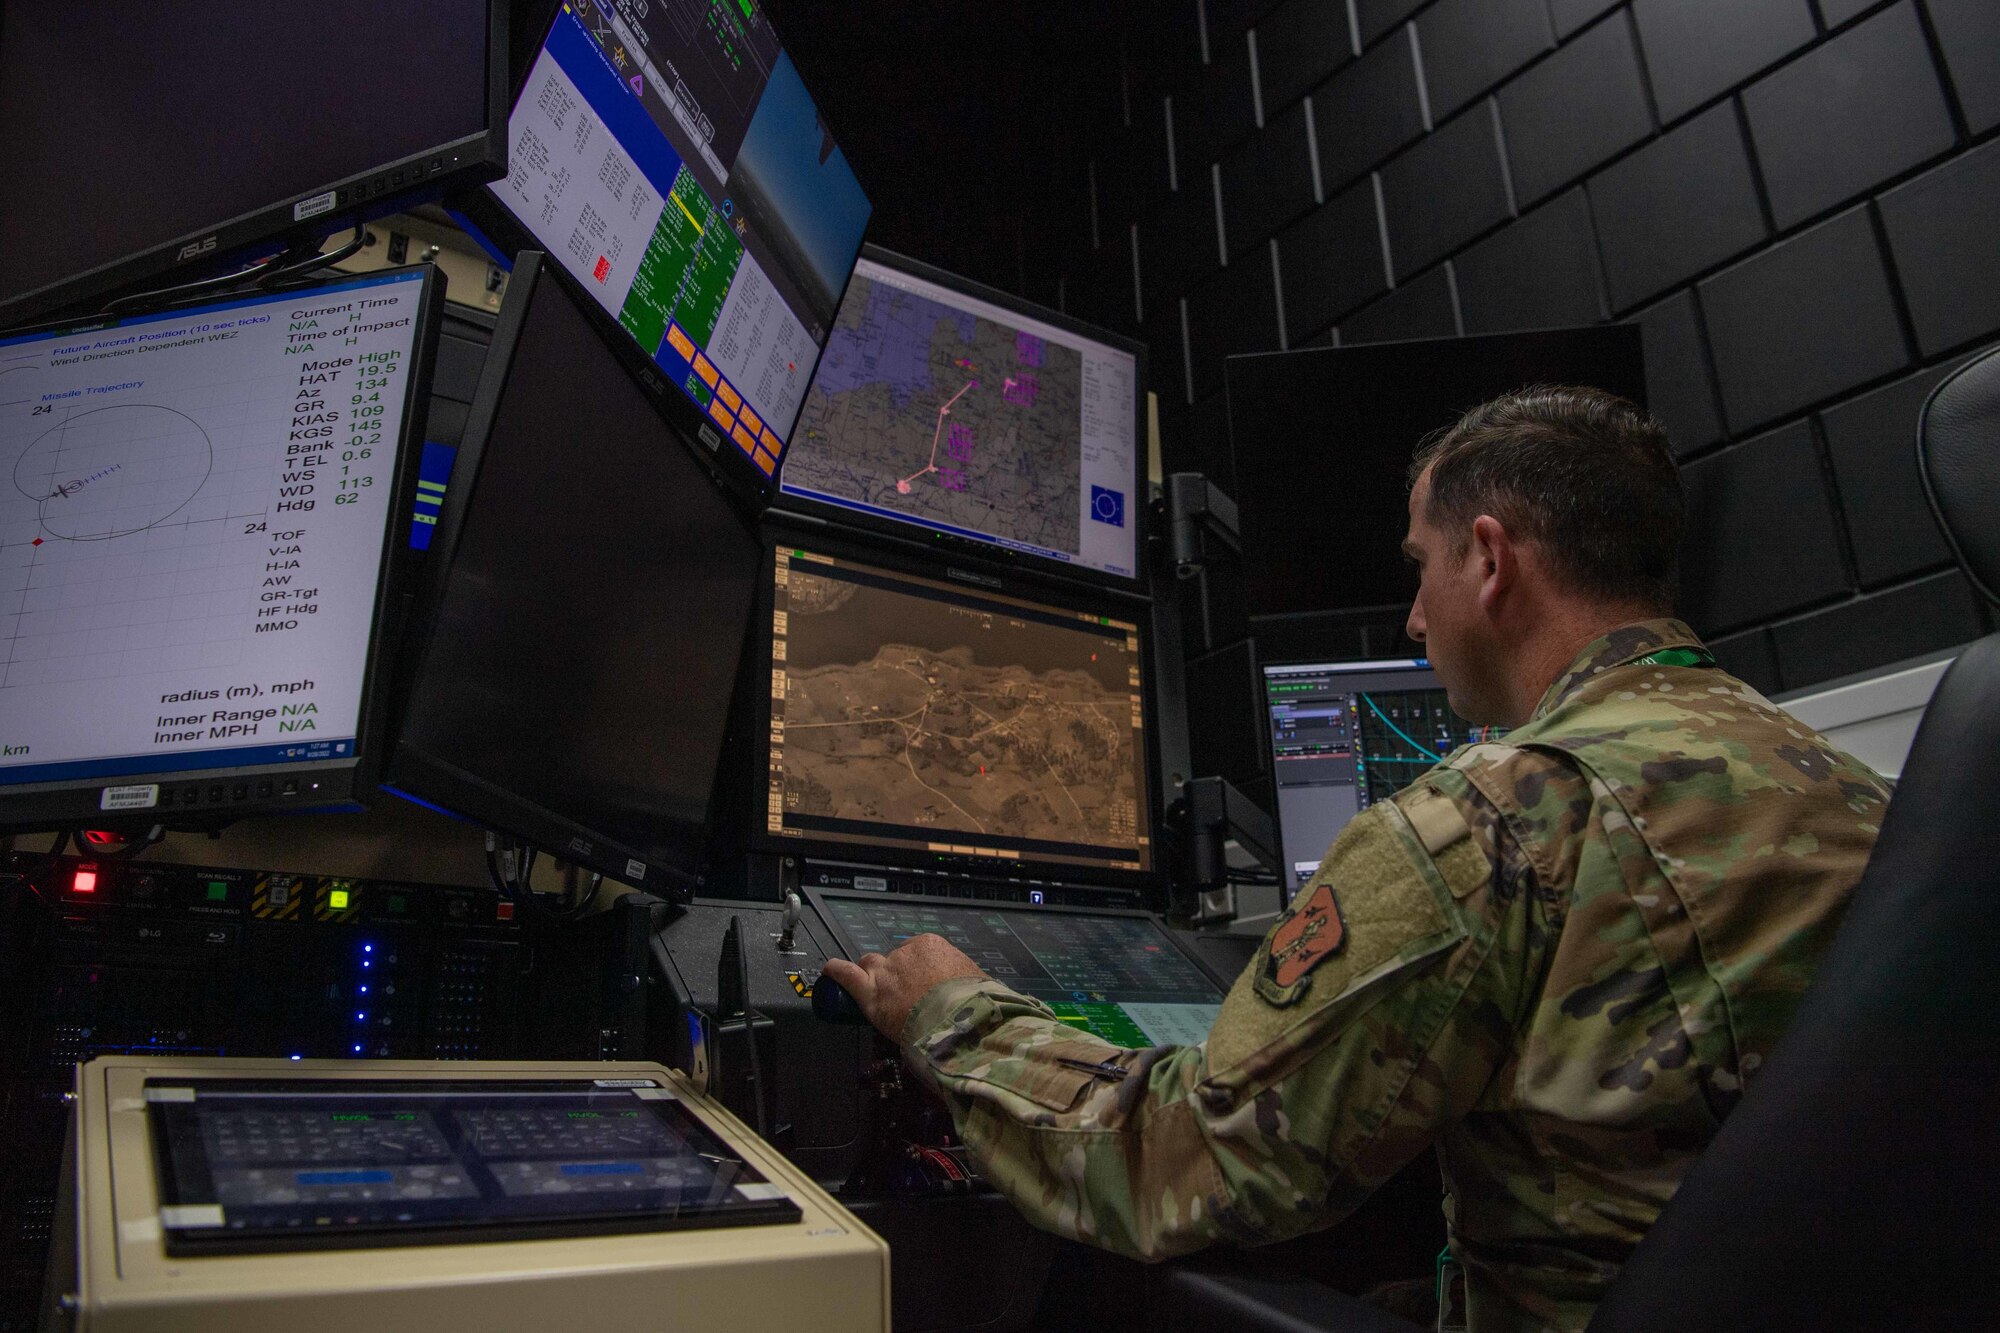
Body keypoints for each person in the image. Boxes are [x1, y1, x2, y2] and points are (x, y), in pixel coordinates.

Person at [821, 386, 1892, 1333]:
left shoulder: (1484, 823)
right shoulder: (1859, 792)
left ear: (1489, 556)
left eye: (1421, 568)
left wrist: (950, 1013)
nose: (1415, 614)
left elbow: (1181, 1160)